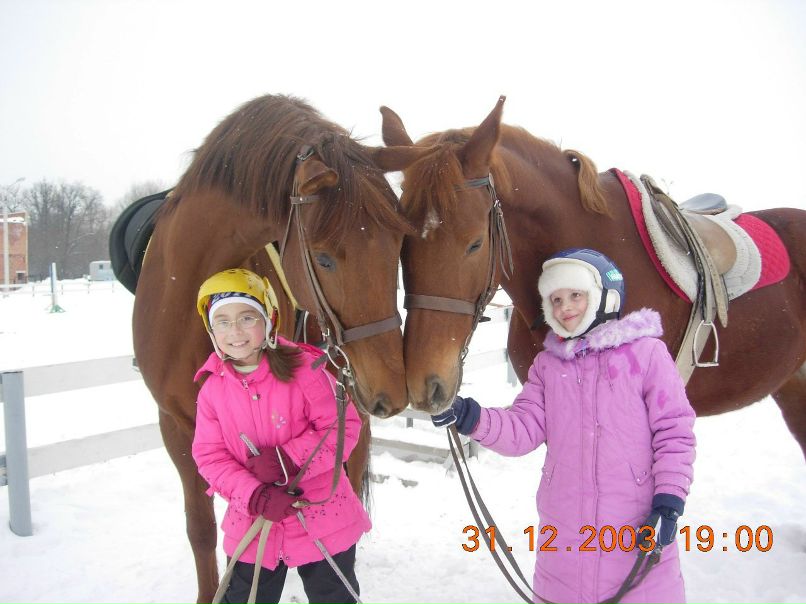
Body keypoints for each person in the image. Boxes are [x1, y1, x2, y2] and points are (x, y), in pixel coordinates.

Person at [433, 248, 696, 604]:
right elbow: (522, 428)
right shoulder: (547, 367)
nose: (564, 307)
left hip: (635, 535)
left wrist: (668, 504)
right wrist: (469, 416)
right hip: (564, 544)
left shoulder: (646, 355)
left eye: (576, 295)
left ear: (604, 296)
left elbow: (674, 433)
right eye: (555, 299)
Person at [191, 268, 370, 604]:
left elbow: (343, 428)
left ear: (269, 319)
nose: (236, 331)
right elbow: (209, 456)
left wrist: (289, 460)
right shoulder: (212, 390)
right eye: (223, 321)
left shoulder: (306, 370)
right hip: (253, 521)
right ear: (211, 330)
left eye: (247, 317)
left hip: (321, 518)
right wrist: (254, 493)